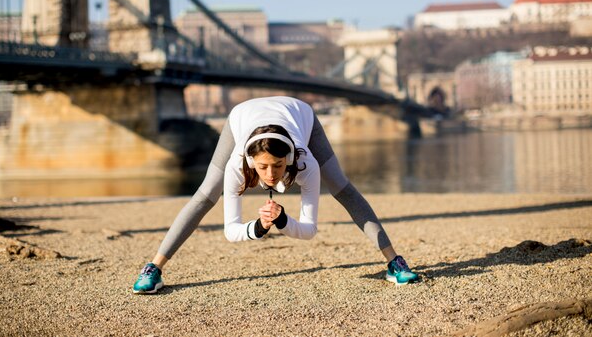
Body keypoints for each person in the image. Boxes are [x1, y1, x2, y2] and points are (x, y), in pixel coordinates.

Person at [133, 96, 418, 294]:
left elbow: (309, 231)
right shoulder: (237, 164)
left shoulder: (306, 163)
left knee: (342, 186)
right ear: (250, 160)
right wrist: (258, 228)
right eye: (263, 167)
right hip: (242, 116)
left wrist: (282, 221)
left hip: (298, 113)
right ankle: (153, 269)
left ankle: (394, 262)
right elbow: (231, 232)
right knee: (207, 192)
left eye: (279, 166)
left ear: (291, 159)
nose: (270, 175)